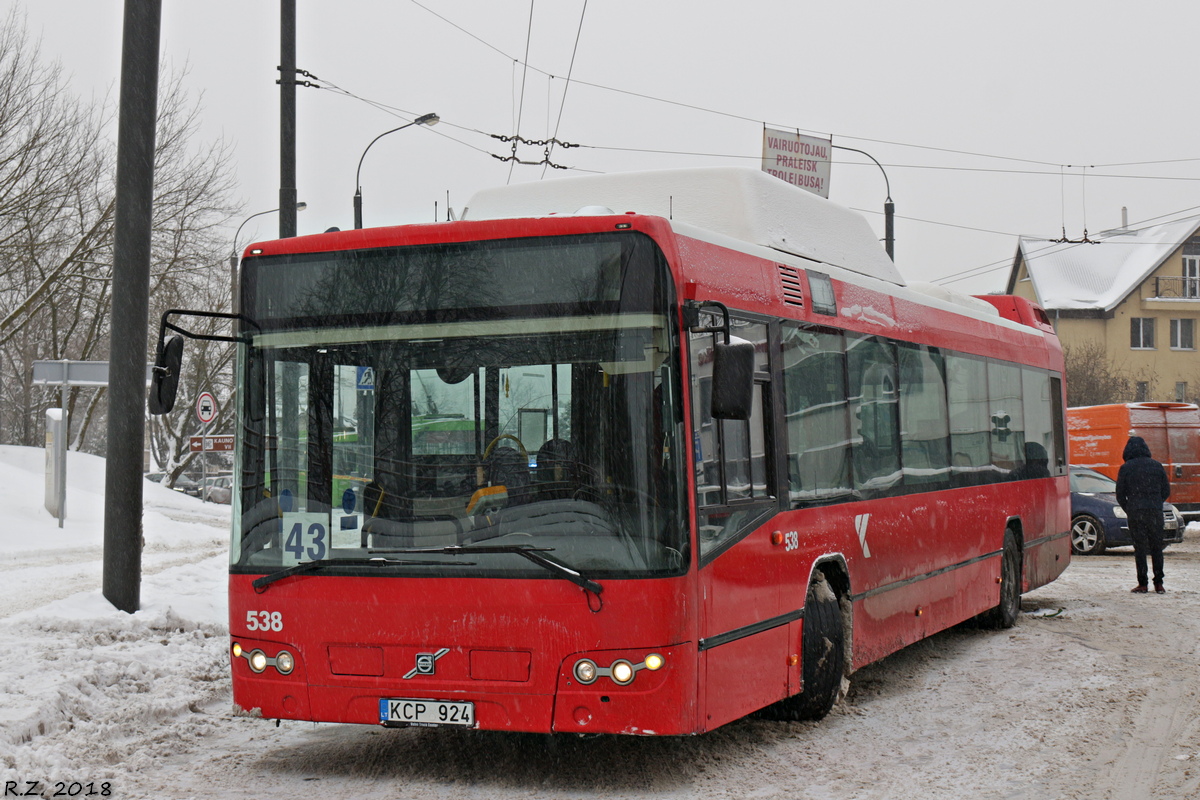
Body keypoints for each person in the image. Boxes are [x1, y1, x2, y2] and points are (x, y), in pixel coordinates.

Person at [1115, 436, 1171, 594]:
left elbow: (1120, 494)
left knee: (1139, 548)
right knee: (1156, 548)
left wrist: (1130, 508)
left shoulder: (1126, 468)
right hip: (1155, 512)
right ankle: (1159, 583)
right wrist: (1155, 503)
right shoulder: (1156, 466)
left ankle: (1143, 583)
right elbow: (1166, 490)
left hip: (1136, 512)